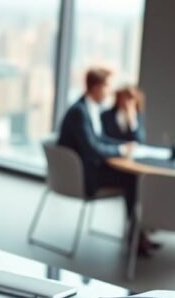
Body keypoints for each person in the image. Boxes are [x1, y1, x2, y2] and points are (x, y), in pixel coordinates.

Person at [58, 68, 156, 255]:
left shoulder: (88, 108)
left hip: (87, 169)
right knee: (133, 180)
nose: (110, 91)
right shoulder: (80, 112)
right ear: (96, 87)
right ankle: (136, 237)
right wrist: (120, 149)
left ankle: (138, 235)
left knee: (132, 179)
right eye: (108, 86)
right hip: (82, 177)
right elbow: (92, 148)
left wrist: (124, 146)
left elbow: (99, 139)